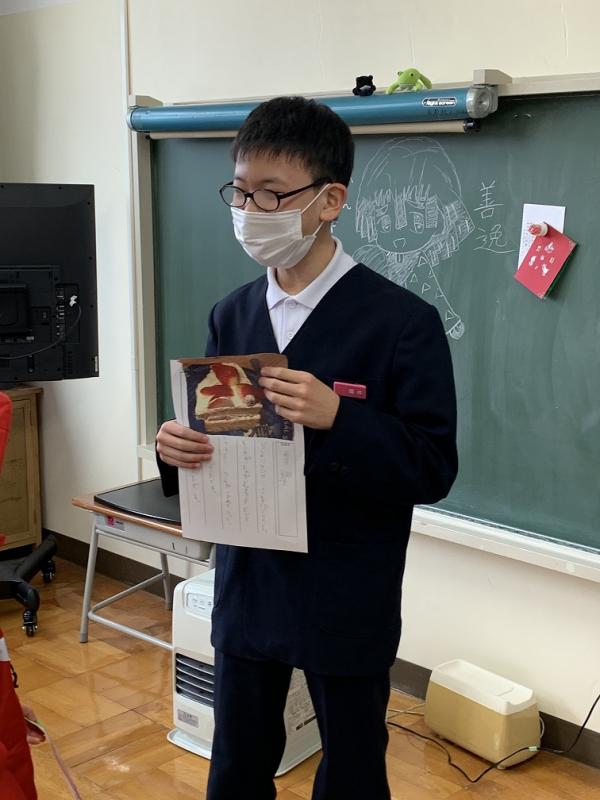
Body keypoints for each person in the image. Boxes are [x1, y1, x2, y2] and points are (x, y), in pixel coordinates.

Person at [156, 96, 458, 800]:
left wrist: (339, 418)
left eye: (272, 194)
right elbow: (221, 438)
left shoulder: (401, 323)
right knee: (237, 764)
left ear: (330, 201)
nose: (250, 210)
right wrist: (179, 450)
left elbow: (433, 465)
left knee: (352, 769)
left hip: (346, 585)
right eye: (241, 192)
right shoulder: (232, 313)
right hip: (250, 579)